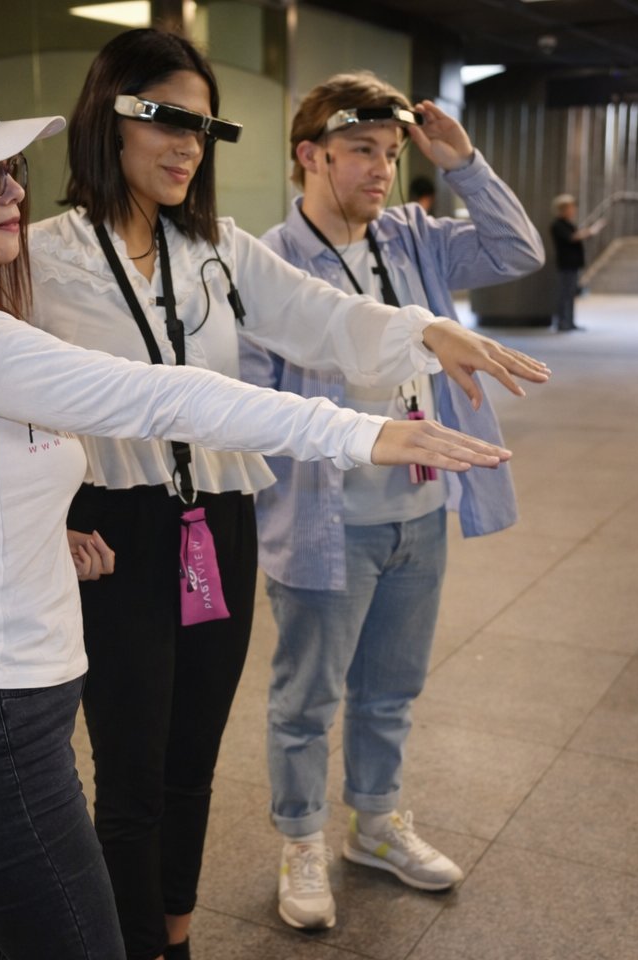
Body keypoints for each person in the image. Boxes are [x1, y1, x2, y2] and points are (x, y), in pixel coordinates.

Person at [0, 65, 513, 960]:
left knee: (2, 923)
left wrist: (27, 530)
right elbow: (165, 397)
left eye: (10, 174)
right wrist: (363, 433)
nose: (9, 192)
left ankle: (174, 935)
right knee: (105, 857)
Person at [25, 29, 550, 960]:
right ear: (110, 117)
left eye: (204, 127)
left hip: (216, 521)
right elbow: (0, 403)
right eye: (168, 119)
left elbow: (323, 316)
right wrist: (44, 517)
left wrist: (428, 332)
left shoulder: (217, 250)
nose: (189, 146)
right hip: (112, 529)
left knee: (191, 762)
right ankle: (133, 943)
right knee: (132, 772)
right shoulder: (40, 259)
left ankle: (176, 936)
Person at [242, 71, 543, 931]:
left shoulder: (412, 237)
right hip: (324, 523)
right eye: (362, 151)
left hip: (417, 512)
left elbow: (518, 252)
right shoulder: (270, 263)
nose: (382, 168)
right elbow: (250, 405)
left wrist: (465, 164)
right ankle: (302, 839)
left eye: (390, 152)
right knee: (307, 699)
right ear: (310, 155)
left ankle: (374, 825)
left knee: (391, 690)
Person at [550, 193, 601, 332]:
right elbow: (571, 238)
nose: (573, 210)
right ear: (563, 209)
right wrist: (590, 231)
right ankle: (562, 322)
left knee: (571, 294)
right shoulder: (558, 225)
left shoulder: (568, 224)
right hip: (566, 264)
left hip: (573, 264)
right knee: (565, 294)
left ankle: (570, 322)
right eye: (571, 208)